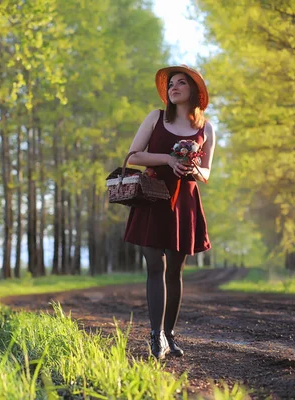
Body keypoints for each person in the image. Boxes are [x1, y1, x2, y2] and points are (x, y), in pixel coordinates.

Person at [123, 65, 216, 360]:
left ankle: (170, 335)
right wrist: (167, 158)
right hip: (153, 196)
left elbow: (207, 173)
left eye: (181, 83)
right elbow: (133, 155)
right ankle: (155, 336)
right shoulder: (155, 117)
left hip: (185, 202)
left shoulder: (207, 128)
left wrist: (192, 167)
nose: (173, 87)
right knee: (155, 267)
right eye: (171, 84)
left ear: (194, 91)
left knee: (175, 271)